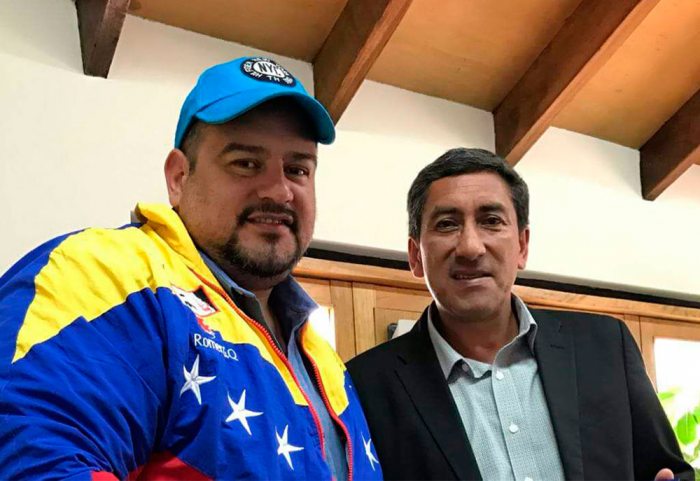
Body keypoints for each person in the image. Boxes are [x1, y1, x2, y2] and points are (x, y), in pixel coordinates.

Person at [0, 56, 382, 480]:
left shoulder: (322, 357)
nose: (279, 191)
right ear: (179, 177)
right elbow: (33, 460)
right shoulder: (102, 274)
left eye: (297, 169)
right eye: (246, 163)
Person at [347, 148, 692, 481]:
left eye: (491, 221)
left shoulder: (605, 347)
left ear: (522, 246)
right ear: (415, 256)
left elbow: (668, 471)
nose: (470, 247)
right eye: (447, 224)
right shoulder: (366, 385)